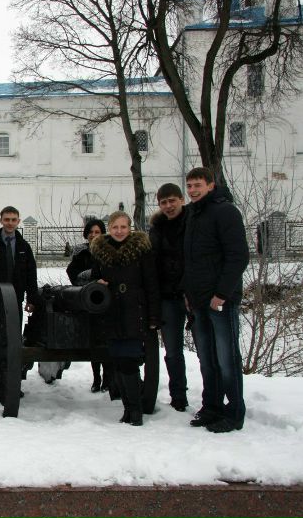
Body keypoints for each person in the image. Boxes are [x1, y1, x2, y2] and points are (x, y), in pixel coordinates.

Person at [182, 167, 249, 433]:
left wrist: (221, 293)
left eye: (198, 185)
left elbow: (238, 256)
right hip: (198, 300)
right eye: (189, 185)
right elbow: (190, 260)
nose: (193, 190)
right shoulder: (193, 215)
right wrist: (188, 293)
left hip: (219, 300)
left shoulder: (226, 212)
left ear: (211, 185)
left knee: (227, 357)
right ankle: (211, 406)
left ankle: (233, 413)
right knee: (207, 359)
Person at [90, 211, 161, 426]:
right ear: (109, 229)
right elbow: (94, 276)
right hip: (112, 313)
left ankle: (136, 410)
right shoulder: (101, 252)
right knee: (118, 362)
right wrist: (98, 282)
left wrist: (153, 316)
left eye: (123, 227)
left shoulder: (141, 251)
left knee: (130, 361)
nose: (119, 231)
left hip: (134, 311)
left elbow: (151, 283)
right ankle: (128, 409)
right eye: (115, 227)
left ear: (129, 228)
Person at [0, 206, 38, 403]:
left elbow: (31, 275)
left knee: (12, 345)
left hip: (15, 302)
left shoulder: (24, 246)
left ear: (18, 221)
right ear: (0, 220)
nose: (10, 223)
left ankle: (11, 384)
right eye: (6, 219)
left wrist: (32, 299)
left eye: (13, 219)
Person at [149, 183, 190, 412]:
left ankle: (213, 397)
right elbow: (152, 263)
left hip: (191, 294)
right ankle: (179, 397)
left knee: (207, 350)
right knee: (173, 351)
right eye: (164, 202)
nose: (168, 206)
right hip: (167, 296)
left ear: (181, 200)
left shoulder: (193, 223)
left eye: (172, 200)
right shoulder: (157, 229)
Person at [66, 219, 112, 393]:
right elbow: (73, 273)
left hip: (106, 302)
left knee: (105, 341)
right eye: (91, 232)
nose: (94, 235)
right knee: (93, 341)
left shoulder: (108, 251)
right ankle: (97, 378)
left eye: (97, 232)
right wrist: (92, 278)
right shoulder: (81, 252)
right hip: (87, 301)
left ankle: (108, 378)